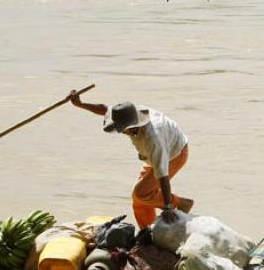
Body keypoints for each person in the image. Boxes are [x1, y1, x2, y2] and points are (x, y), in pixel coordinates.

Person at [69, 91, 193, 229]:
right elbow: (104, 108)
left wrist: (169, 206)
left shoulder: (153, 138)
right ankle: (147, 230)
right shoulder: (129, 114)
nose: (120, 132)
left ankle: (182, 203)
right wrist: (80, 104)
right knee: (139, 199)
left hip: (174, 154)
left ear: (132, 126)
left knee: (142, 193)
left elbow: (162, 173)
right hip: (153, 155)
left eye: (122, 129)